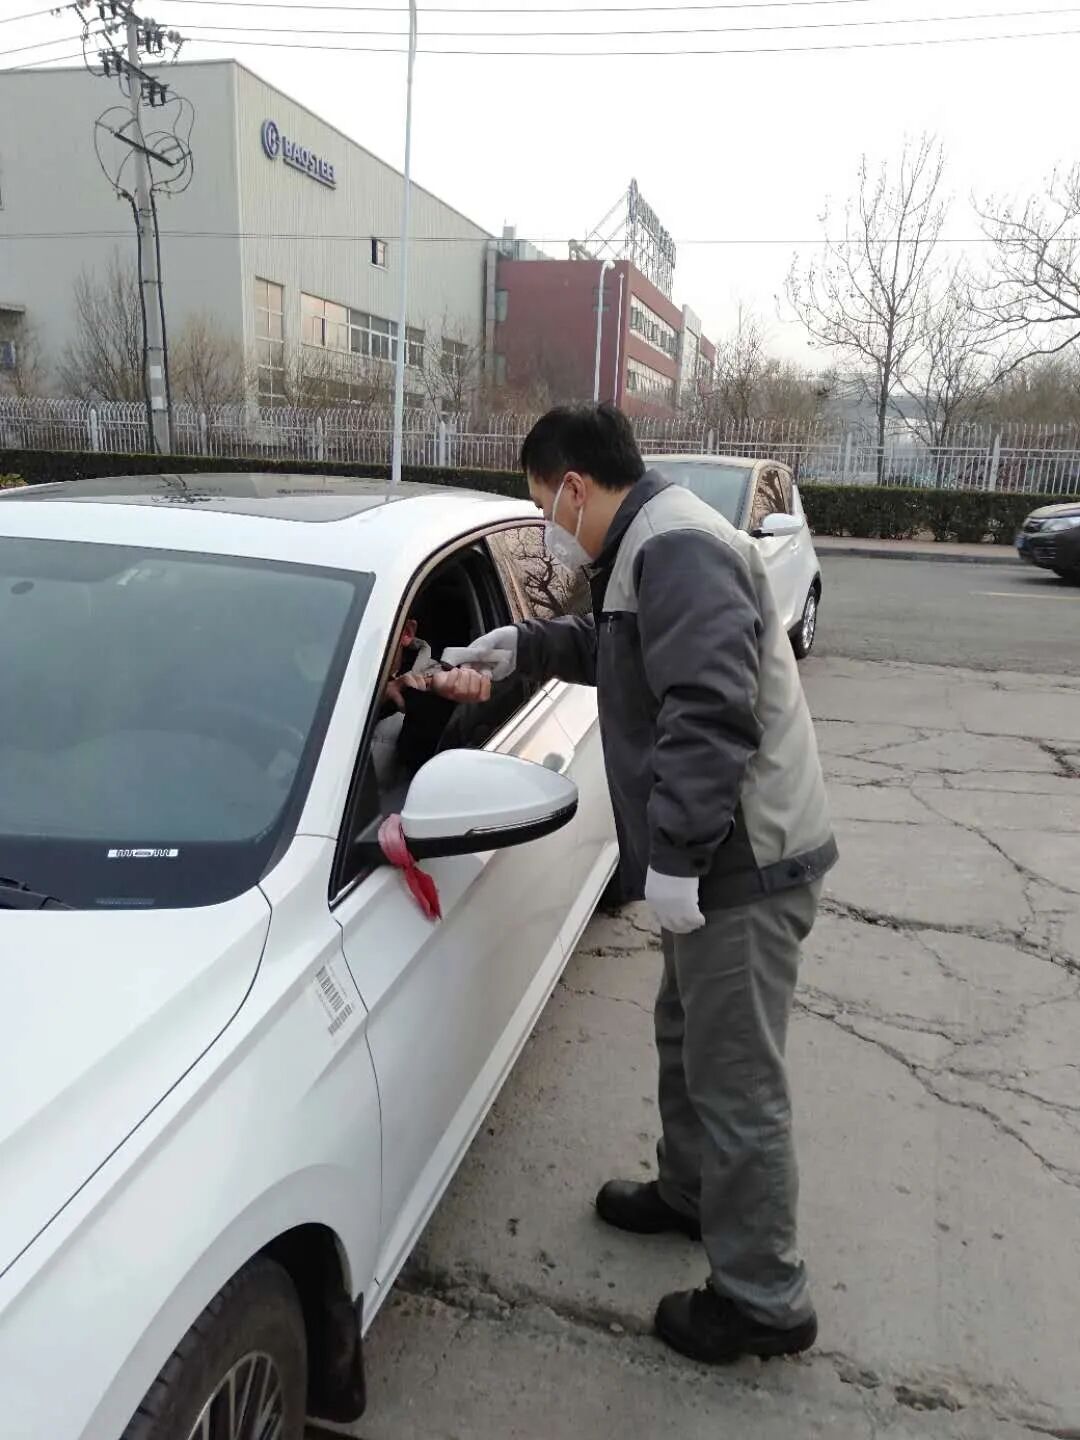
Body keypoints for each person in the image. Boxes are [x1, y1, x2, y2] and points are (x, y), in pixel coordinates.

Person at [450, 404, 837, 1365]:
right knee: (686, 1034)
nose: (545, 523)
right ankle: (692, 1192)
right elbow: (623, 648)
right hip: (726, 854)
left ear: (573, 487)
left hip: (745, 861)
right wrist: (527, 647)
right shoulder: (646, 542)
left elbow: (708, 710)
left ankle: (764, 1298)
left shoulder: (674, 549)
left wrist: (678, 856)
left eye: (541, 503)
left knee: (736, 1078)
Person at [371, 618, 490, 794]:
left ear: (407, 632)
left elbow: (433, 770)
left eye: (369, 641)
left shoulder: (446, 687)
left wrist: (421, 700)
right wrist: (379, 700)